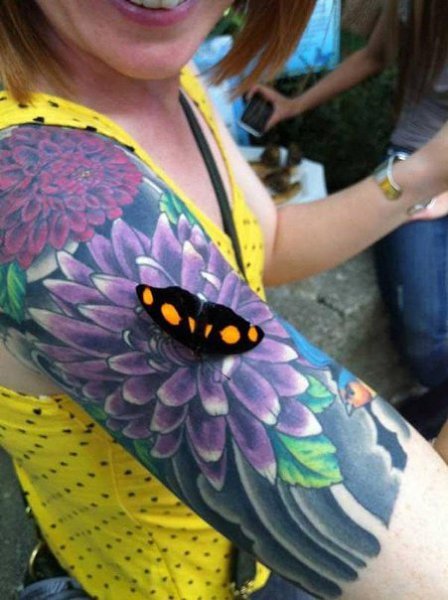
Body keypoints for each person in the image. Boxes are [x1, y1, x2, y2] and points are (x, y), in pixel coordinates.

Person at [1, 1, 448, 599]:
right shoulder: (42, 197)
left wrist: (423, 173)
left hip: (255, 561)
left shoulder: (169, 73)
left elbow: (266, 241)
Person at [251, 0, 448, 438]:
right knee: (425, 341)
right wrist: (294, 105)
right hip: (415, 164)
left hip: (425, 178)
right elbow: (374, 55)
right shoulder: (413, 8)